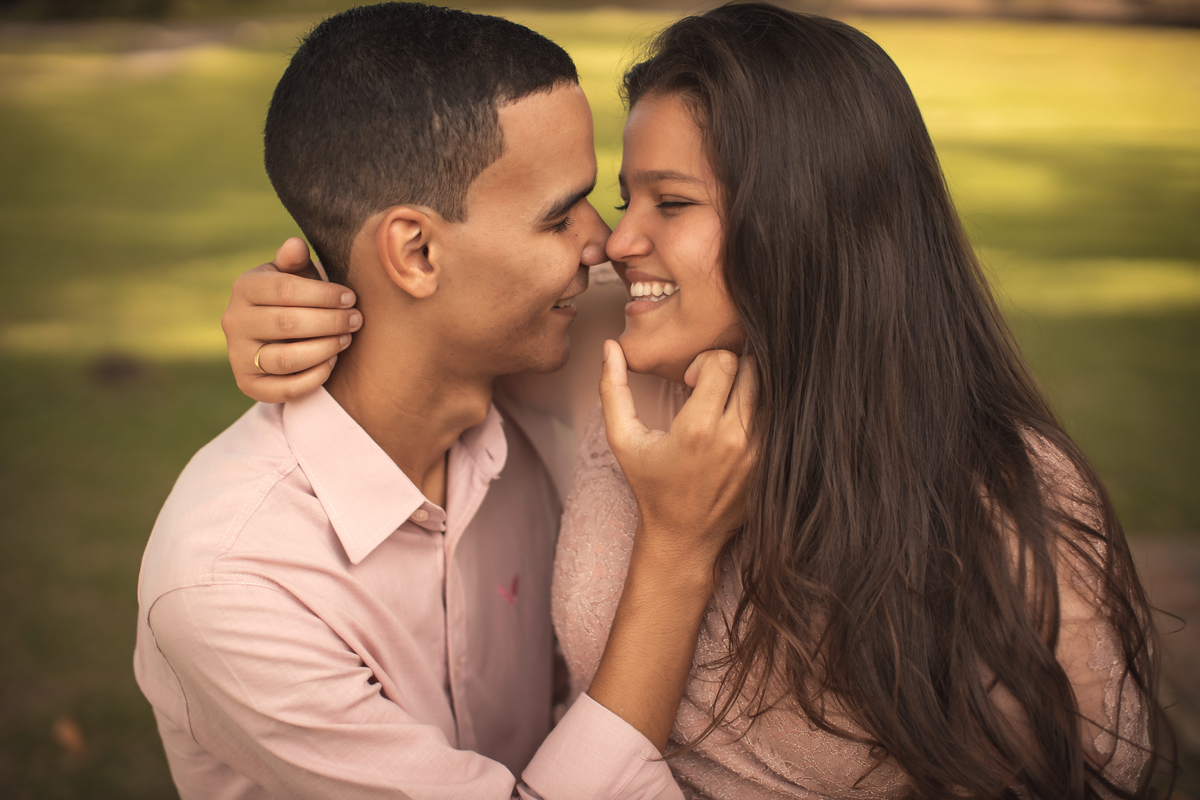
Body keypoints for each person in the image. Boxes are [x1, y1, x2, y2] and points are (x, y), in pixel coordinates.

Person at [225, 4, 1172, 798]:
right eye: (615, 199)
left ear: (803, 222)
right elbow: (433, 310)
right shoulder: (611, 361)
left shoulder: (1002, 501)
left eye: (667, 204)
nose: (613, 243)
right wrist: (294, 313)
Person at [134, 5, 755, 800]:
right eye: (559, 216)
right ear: (417, 252)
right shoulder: (233, 587)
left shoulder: (534, 362)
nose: (604, 242)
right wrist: (677, 555)